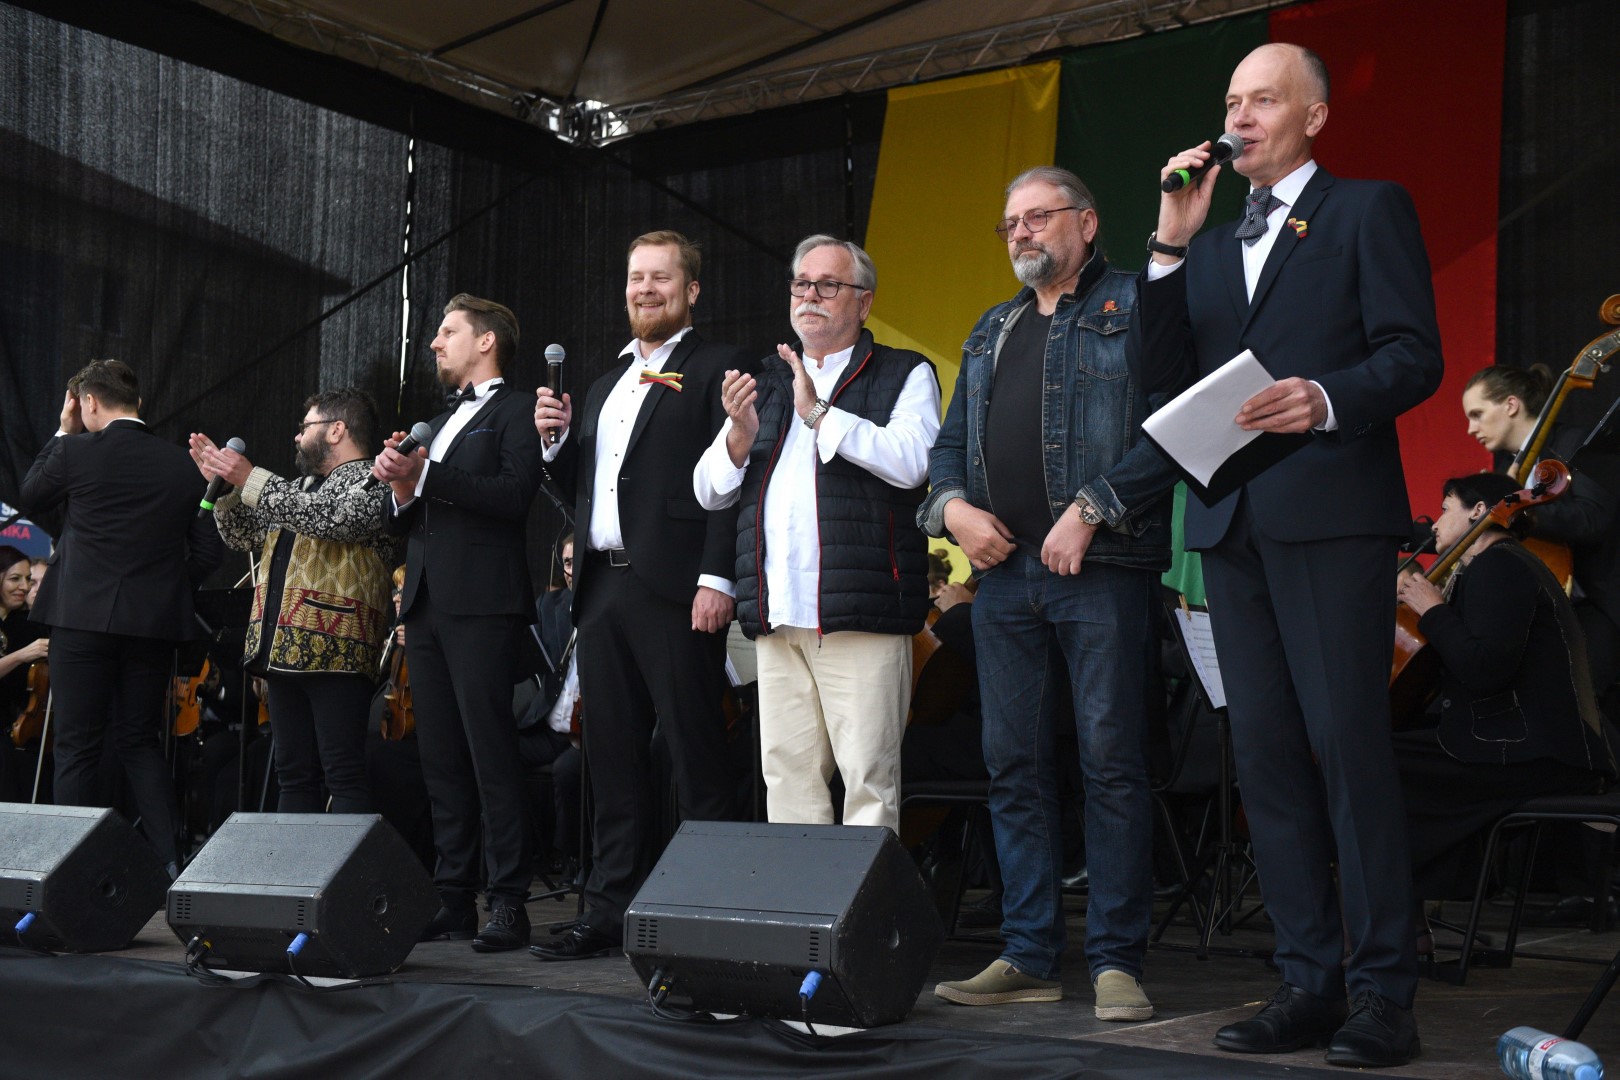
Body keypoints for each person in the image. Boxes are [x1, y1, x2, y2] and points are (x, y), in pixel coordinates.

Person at [1134, 44, 1444, 1067]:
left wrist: (1325, 398)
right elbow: (1159, 379)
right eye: (1231, 101)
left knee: (1346, 750)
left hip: (1334, 517)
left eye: (1263, 99)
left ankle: (1383, 993)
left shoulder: (1365, 209)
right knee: (1265, 760)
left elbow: (1414, 354)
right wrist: (1170, 246)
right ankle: (1308, 981)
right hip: (1231, 526)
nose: (1241, 117)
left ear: (1314, 117)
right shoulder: (1208, 243)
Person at [922, 167, 1177, 1022]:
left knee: (1112, 766)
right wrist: (955, 512)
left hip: (1101, 571)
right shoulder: (990, 327)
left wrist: (1092, 510)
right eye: (1010, 224)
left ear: (1088, 222)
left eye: (1038, 217)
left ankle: (1115, 963)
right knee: (1013, 769)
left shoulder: (1135, 304)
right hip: (1004, 580)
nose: (1021, 233)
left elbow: (1174, 428)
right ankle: (1029, 953)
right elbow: (948, 449)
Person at [531, 230, 749, 961]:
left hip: (677, 588)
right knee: (612, 760)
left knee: (695, 753)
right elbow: (589, 493)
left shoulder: (719, 365)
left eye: (661, 277)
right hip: (602, 587)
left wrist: (717, 576)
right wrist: (555, 448)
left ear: (692, 290)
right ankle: (609, 909)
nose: (645, 289)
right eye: (635, 278)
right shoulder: (603, 386)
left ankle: (711, 911)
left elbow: (736, 477)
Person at [694, 234, 940, 831]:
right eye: (801, 284)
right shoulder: (766, 380)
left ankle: (867, 898)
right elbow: (708, 490)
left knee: (868, 782)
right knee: (787, 778)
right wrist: (738, 436)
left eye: (828, 285)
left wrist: (820, 415)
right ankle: (800, 896)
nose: (810, 296)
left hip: (861, 614)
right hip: (778, 615)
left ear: (864, 301)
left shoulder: (905, 372)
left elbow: (913, 462)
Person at [371, 294, 547, 953]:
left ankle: (508, 900)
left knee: (489, 752)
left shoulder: (517, 410)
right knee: (439, 756)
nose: (435, 343)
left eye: (448, 332)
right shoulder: (439, 422)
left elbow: (514, 494)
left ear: (486, 341)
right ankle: (452, 897)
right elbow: (407, 518)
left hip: (483, 603)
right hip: (425, 604)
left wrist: (428, 474)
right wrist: (401, 487)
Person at [19, 359, 224, 877]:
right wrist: (164, 589)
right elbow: (207, 553)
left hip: (81, 620)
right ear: (138, 403)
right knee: (139, 741)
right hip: (152, 627)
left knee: (76, 746)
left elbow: (31, 494)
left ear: (87, 402)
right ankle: (172, 863)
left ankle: (74, 872)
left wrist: (63, 432)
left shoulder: (74, 451)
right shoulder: (184, 466)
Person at [1395, 473, 1615, 914]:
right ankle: (1406, 918)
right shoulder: (1500, 565)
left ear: (1479, 511)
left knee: (1373, 763)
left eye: (1446, 508)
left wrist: (1433, 611)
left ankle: (1397, 918)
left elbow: (1484, 670)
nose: (1435, 523)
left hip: (1532, 754)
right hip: (1524, 747)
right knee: (1386, 756)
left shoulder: (1499, 565)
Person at [190, 387, 396, 815]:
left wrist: (251, 479)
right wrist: (227, 491)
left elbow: (332, 518)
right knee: (292, 774)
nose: (298, 437)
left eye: (305, 427)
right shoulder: (297, 488)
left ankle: (347, 863)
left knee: (342, 773)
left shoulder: (376, 480)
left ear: (336, 430)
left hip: (338, 651)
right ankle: (294, 862)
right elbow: (243, 535)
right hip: (282, 651)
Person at [1461, 365, 1620, 708]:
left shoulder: (1573, 442)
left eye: (1477, 414)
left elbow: (1594, 519)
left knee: (1587, 709)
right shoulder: (1508, 468)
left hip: (1597, 605)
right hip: (1550, 611)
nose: (1471, 429)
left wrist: (1518, 510)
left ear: (1511, 405)